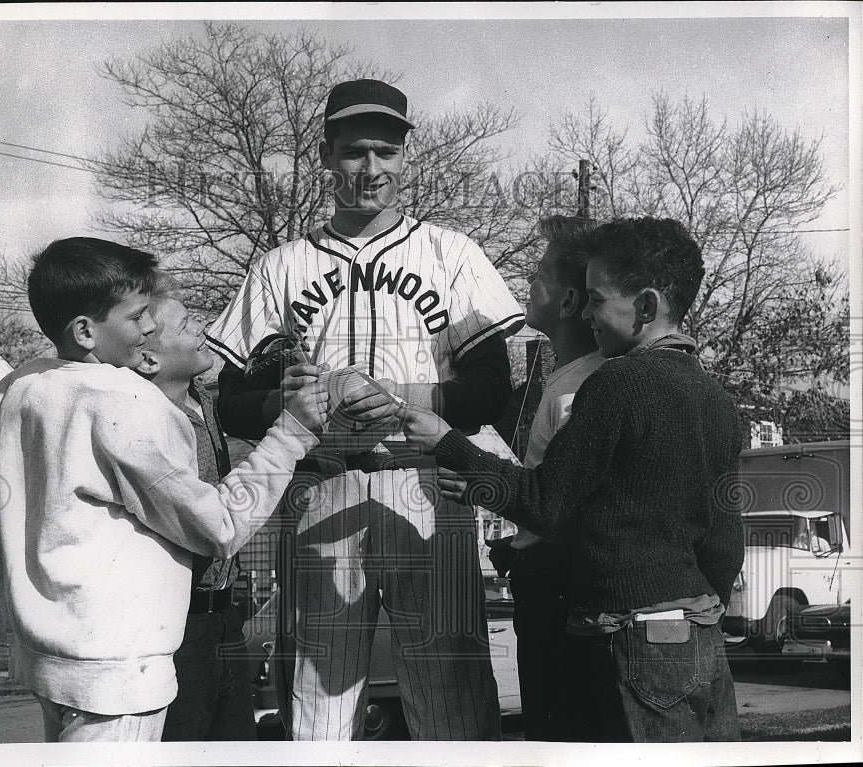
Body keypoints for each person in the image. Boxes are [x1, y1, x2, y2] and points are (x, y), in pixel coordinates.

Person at [206, 79, 524, 740]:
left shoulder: (451, 254)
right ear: (326, 154)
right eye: (354, 151)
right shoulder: (281, 268)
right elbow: (231, 401)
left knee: (452, 695)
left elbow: (492, 387)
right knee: (317, 699)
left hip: (427, 485)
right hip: (321, 483)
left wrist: (398, 399)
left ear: (407, 153)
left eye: (385, 149)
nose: (371, 168)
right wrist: (290, 403)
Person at [403, 217, 745, 742]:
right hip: (699, 635)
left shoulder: (617, 384)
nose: (587, 315)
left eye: (597, 299)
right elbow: (725, 542)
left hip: (630, 635)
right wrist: (692, 612)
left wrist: (445, 443)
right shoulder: (716, 398)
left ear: (648, 307)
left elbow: (547, 503)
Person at [0, 237, 328, 742]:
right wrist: (291, 433)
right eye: (139, 315)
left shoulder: (21, 387)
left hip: (51, 654)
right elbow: (220, 526)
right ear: (85, 331)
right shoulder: (122, 402)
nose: (149, 328)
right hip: (120, 668)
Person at [485, 215, 603, 742]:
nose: (525, 286)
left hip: (560, 594)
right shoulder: (564, 378)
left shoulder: (579, 389)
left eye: (537, 274)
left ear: (569, 302)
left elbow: (564, 502)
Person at [133, 275, 256, 741]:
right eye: (187, 324)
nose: (202, 326)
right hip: (176, 629)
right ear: (148, 358)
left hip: (225, 617)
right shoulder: (144, 422)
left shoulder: (207, 402)